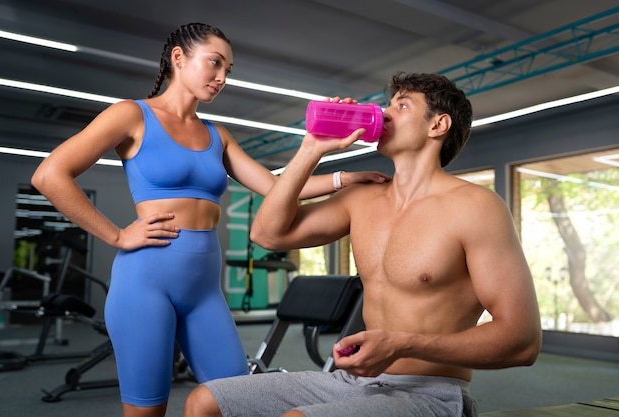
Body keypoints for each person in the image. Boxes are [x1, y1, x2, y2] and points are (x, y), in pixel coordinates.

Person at [31, 23, 388, 417]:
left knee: (236, 400)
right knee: (147, 410)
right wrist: (116, 235)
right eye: (215, 64)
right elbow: (49, 175)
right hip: (145, 282)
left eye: (228, 72)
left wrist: (346, 178)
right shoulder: (131, 115)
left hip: (204, 291)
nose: (221, 78)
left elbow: (276, 187)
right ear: (178, 58)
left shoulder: (218, 135)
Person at [183, 72, 542, 417]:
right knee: (204, 401)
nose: (384, 113)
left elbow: (522, 340)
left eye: (402, 106)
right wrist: (312, 150)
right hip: (354, 381)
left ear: (438, 125)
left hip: (431, 393)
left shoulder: (476, 207)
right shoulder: (362, 198)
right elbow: (267, 234)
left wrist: (405, 343)